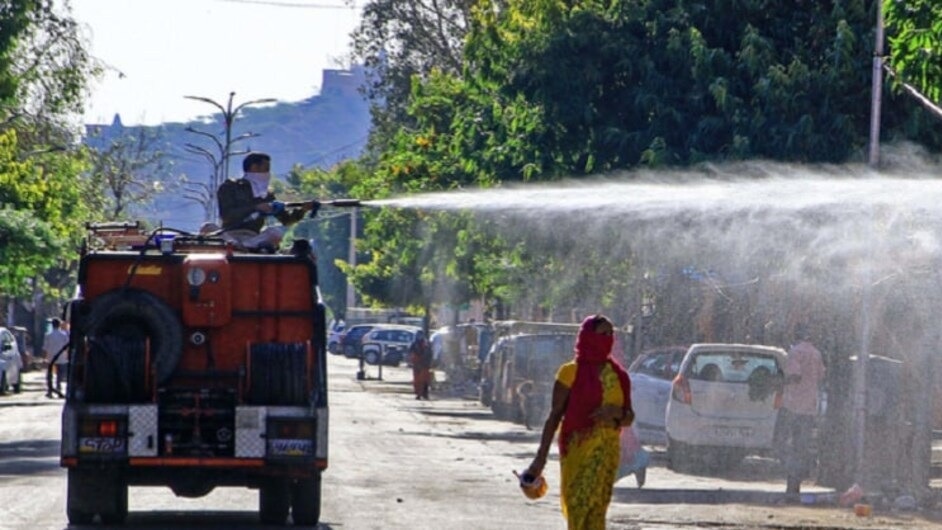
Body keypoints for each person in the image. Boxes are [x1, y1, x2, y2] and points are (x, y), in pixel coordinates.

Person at [526, 314, 635, 529]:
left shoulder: (620, 376)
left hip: (606, 454)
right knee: (578, 504)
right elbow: (554, 416)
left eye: (611, 334)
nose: (608, 338)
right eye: (603, 333)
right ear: (588, 336)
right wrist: (540, 460)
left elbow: (629, 417)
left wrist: (615, 413)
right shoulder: (570, 373)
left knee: (596, 510)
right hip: (577, 450)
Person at [212, 152, 312, 250]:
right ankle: (237, 245)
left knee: (275, 233)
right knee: (210, 228)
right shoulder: (230, 187)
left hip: (254, 237)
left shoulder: (267, 194)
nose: (268, 174)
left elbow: (286, 220)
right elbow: (226, 216)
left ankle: (244, 246)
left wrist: (303, 210)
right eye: (266, 169)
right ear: (254, 167)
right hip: (230, 233)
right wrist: (255, 208)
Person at [780, 324, 826, 498]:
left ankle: (792, 482)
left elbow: (795, 375)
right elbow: (821, 375)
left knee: (787, 444)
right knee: (801, 446)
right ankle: (797, 481)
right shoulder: (816, 353)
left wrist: (781, 380)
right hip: (809, 407)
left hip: (793, 405)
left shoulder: (795, 352)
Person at [43, 318, 70, 398]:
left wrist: (44, 358)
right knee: (59, 376)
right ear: (59, 325)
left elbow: (45, 347)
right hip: (61, 358)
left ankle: (50, 391)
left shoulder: (48, 335)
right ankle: (59, 390)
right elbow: (67, 347)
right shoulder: (64, 335)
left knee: (50, 376)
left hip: (51, 358)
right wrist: (67, 356)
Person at [409, 330, 433, 400]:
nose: (419, 337)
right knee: (417, 380)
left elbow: (429, 354)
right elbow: (410, 353)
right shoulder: (414, 344)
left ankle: (424, 394)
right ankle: (418, 393)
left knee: (424, 380)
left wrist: (427, 363)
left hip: (424, 364)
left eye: (420, 335)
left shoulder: (426, 344)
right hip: (416, 364)